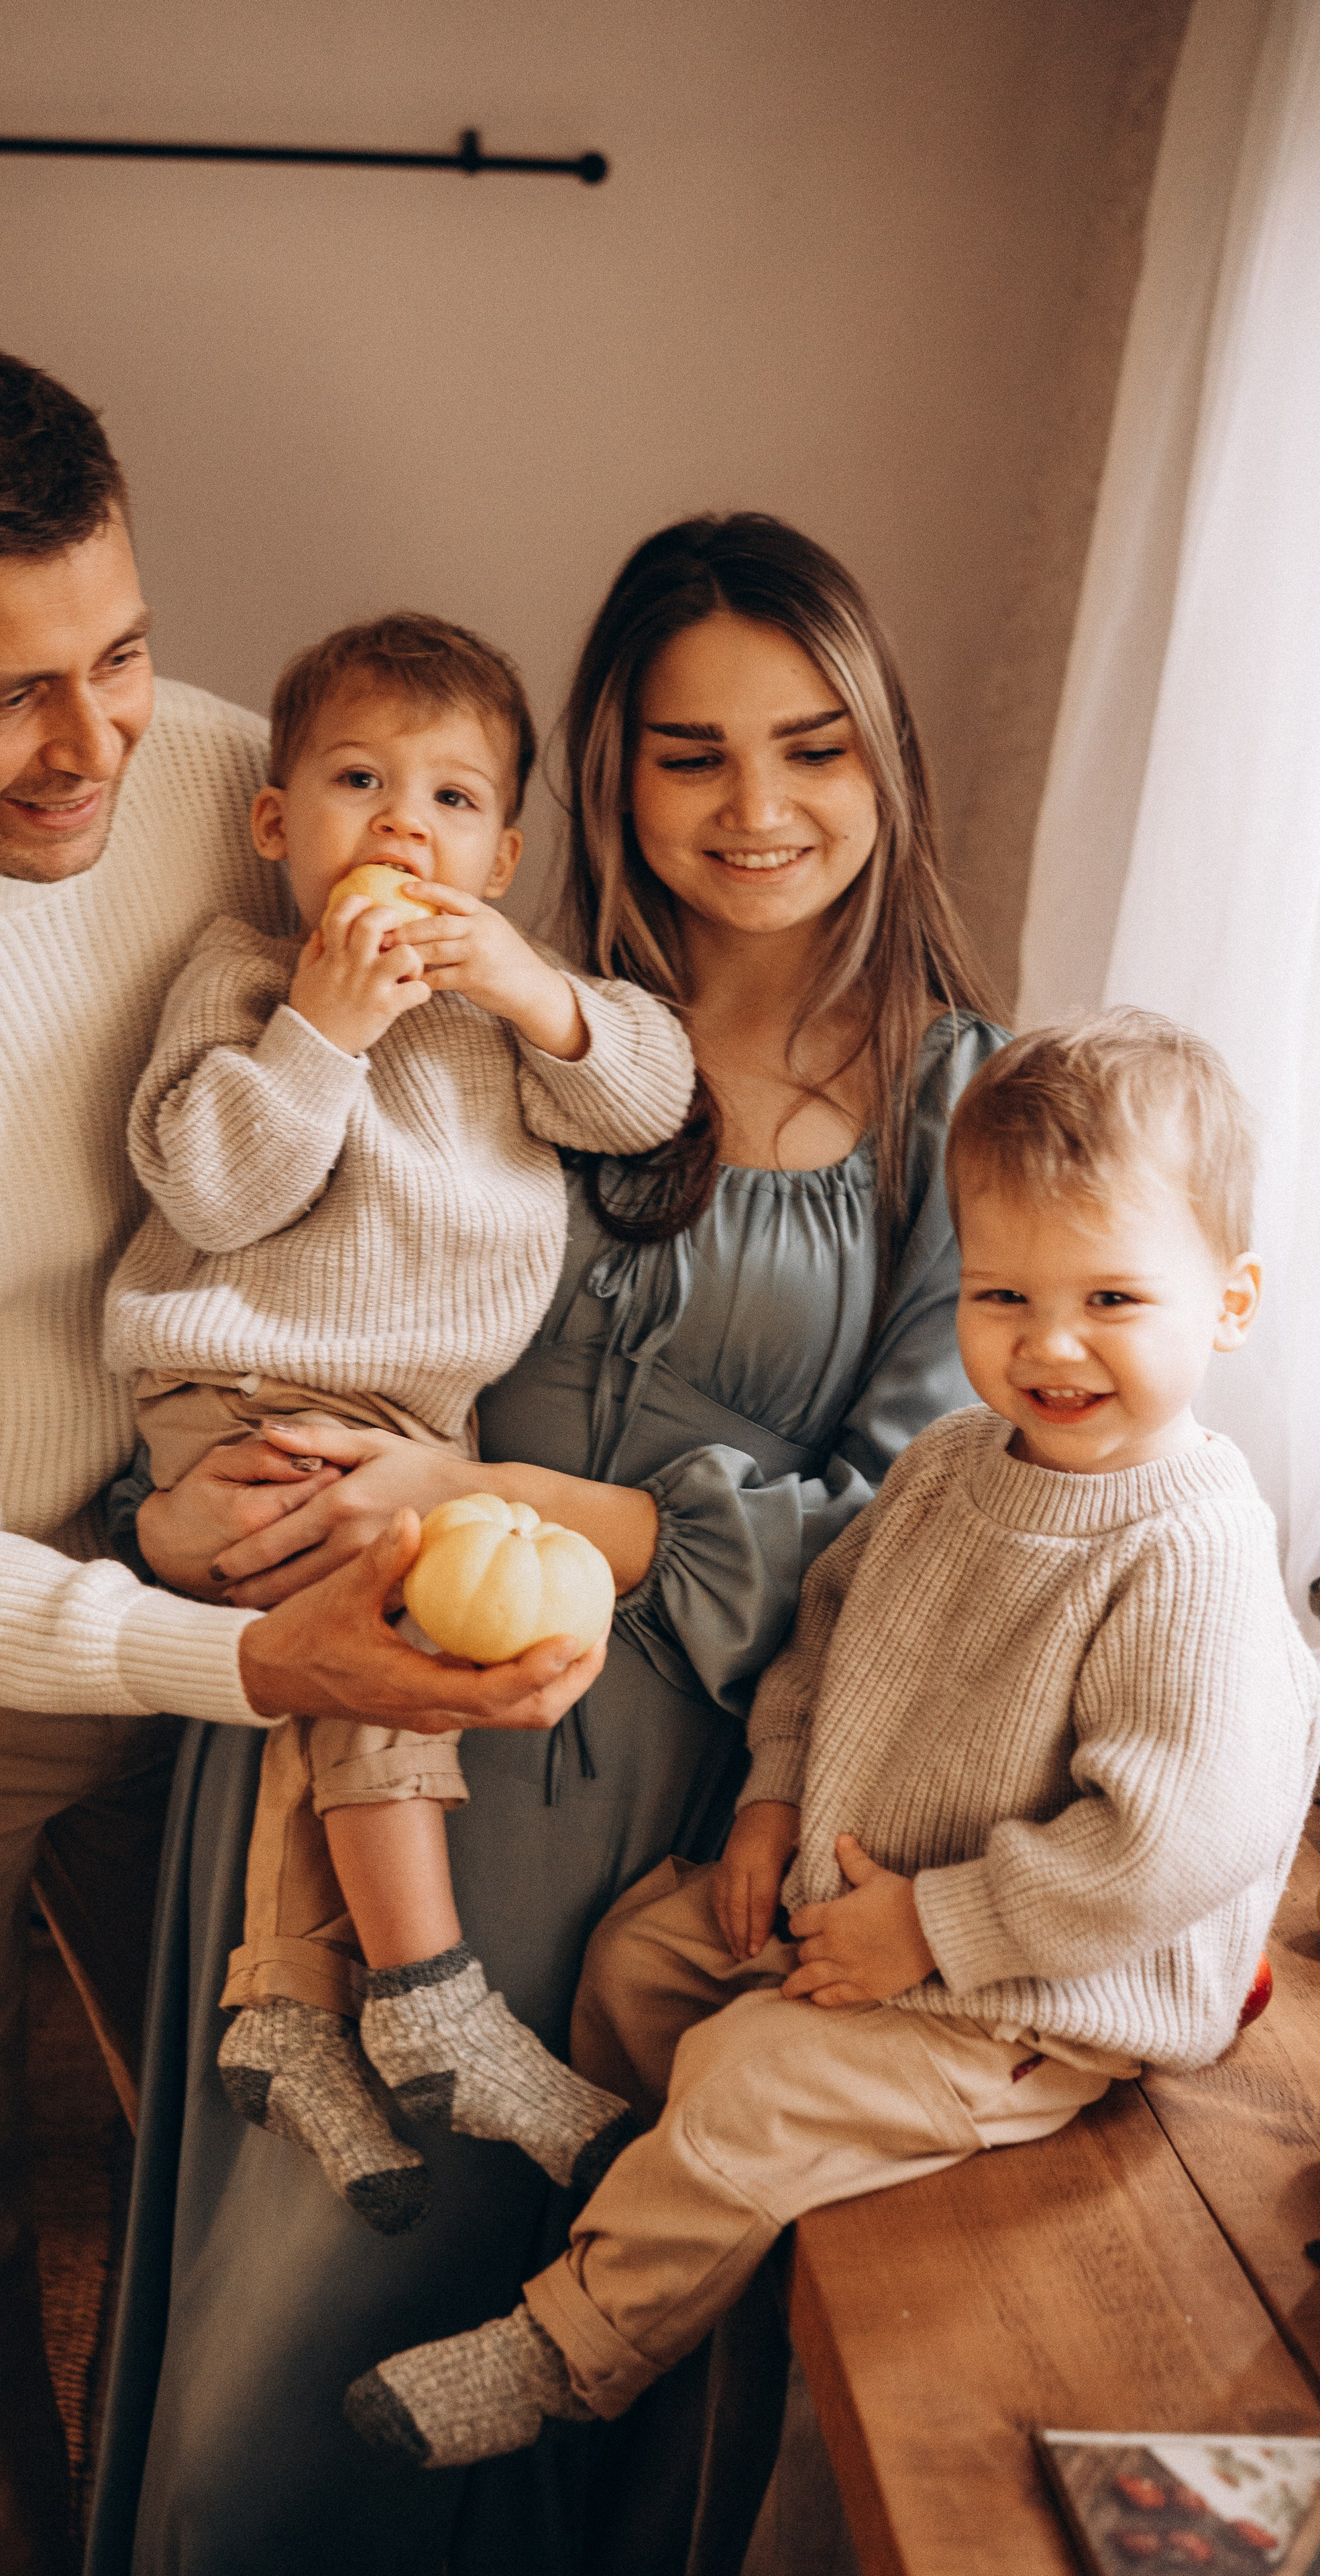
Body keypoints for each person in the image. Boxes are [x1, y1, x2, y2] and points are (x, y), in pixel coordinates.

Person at [0, 340, 602, 2576]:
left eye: (122, 652)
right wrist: (250, 1662)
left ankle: (197, 2520)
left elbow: (457, 1067)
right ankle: (11, 2553)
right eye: (3, 697)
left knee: (234, 2140)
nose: (96, 744)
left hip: (235, 1556)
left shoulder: (236, 772)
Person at [86, 512, 1005, 2576]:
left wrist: (506, 1502)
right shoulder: (478, 1011)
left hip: (665, 1769)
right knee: (271, 2387)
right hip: (353, 1689)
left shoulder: (960, 1106)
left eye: (812, 747)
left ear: (887, 761)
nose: (757, 810)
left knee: (518, 2370)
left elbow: (926, 1530)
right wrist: (162, 1513)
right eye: (691, 754)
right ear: (604, 774)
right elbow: (238, 1284)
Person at [345, 1010, 1320, 2466]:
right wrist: (769, 1806)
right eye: (1003, 1295)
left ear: (1226, 1303)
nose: (1048, 1345)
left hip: (1032, 1992)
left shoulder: (1187, 1551)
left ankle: (571, 2348)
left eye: (1112, 1299)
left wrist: (930, 1928)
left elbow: (1170, 1843)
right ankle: (663, 2234)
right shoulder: (946, 1467)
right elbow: (827, 1637)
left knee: (748, 2080)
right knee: (634, 1959)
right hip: (848, 1894)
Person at [105, 610, 696, 2231]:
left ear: (498, 856)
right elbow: (210, 1187)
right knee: (391, 1659)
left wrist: (528, 988)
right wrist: (325, 1030)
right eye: (358, 783)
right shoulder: (244, 982)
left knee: (358, 1669)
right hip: (246, 1381)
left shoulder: (504, 1010)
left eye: (446, 800)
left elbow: (648, 1101)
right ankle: (427, 1992)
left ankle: (287, 2005)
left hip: (402, 1408)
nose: (398, 827)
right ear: (274, 824)